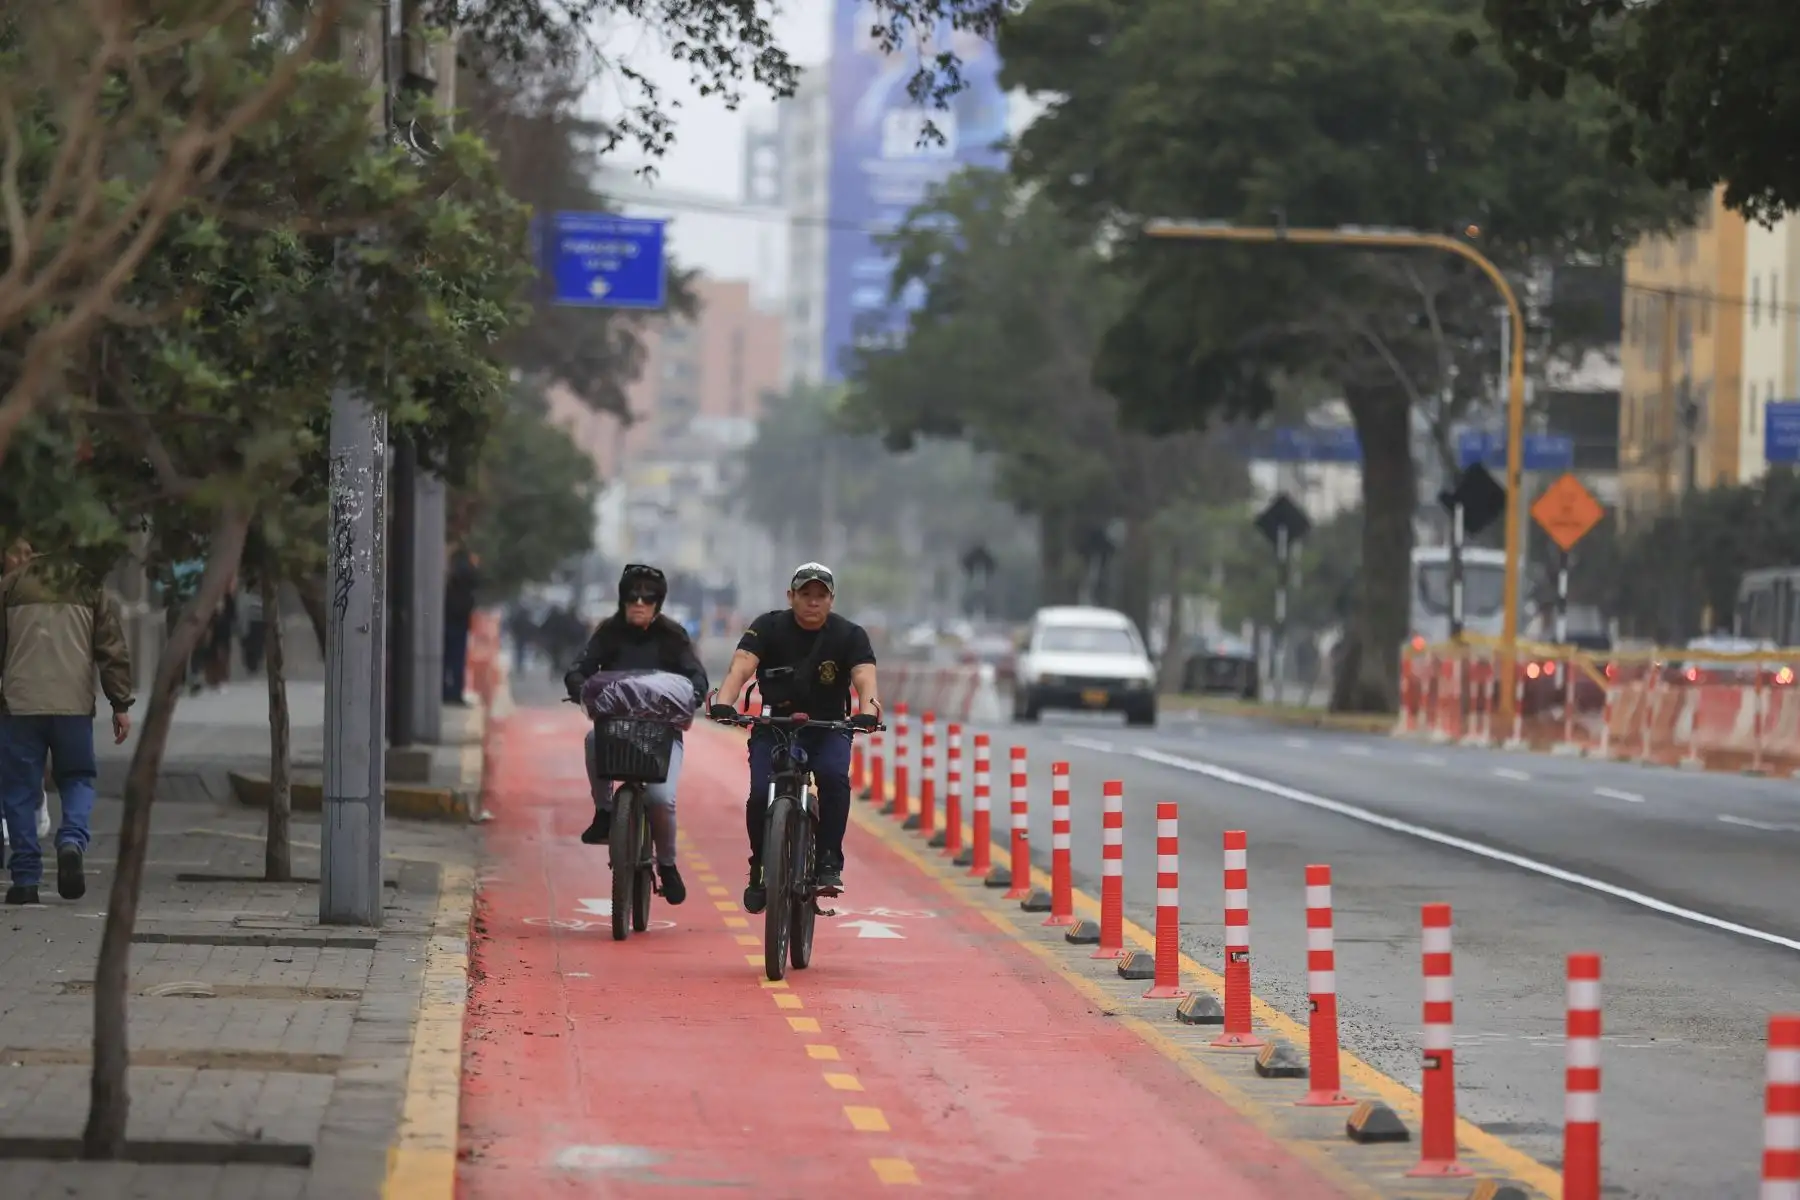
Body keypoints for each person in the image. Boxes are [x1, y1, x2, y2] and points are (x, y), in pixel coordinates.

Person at [708, 563, 882, 914]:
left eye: (821, 596)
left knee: (834, 778)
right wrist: (725, 701)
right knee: (760, 794)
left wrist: (868, 710)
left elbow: (864, 676)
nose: (813, 603)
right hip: (775, 726)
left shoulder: (850, 635)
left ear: (831, 600)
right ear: (791, 597)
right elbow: (741, 665)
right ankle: (759, 865)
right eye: (805, 595)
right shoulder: (767, 627)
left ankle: (829, 862)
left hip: (828, 726)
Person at [564, 564, 708, 906]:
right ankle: (603, 812)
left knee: (661, 799)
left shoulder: (674, 637)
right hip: (614, 730)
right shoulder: (608, 633)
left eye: (648, 598)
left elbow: (696, 676)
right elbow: (579, 668)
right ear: (622, 600)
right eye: (632, 597)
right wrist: (579, 686)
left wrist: (695, 694)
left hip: (662, 736)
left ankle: (668, 865)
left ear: (658, 603)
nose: (639, 603)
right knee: (591, 741)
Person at [0, 539, 134, 905]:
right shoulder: (88, 584)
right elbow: (111, 648)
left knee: (19, 792)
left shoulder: (10, 585)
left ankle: (26, 879)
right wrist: (120, 703)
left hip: (20, 706)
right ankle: (72, 840)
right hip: (73, 706)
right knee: (77, 778)